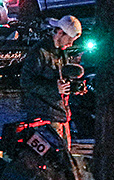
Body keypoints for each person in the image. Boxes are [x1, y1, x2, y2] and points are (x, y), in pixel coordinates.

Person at [20, 15, 82, 144]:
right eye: (69, 39)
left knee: (64, 154)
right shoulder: (39, 52)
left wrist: (72, 87)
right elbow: (26, 81)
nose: (71, 44)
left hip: (60, 115)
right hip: (43, 118)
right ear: (60, 33)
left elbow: (60, 77)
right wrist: (55, 88)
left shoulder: (61, 52)